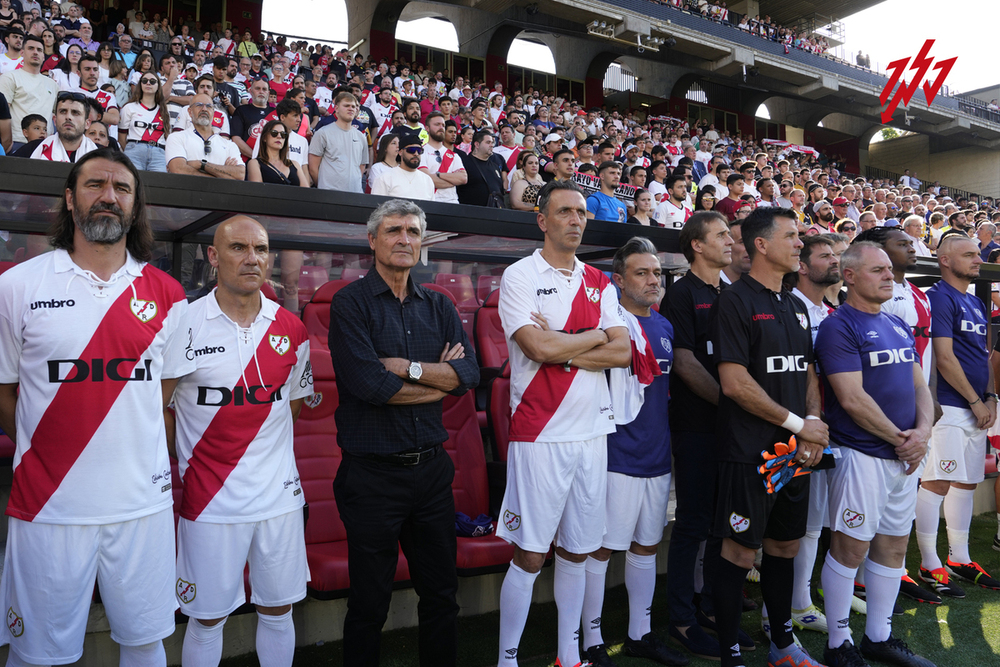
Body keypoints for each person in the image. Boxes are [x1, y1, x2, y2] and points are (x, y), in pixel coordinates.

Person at [0, 148, 194, 667]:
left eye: (122, 189)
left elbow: (163, 395)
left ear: (135, 206)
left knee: (146, 643)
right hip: (48, 507)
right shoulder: (18, 286)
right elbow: (5, 393)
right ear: (69, 198)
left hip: (142, 507)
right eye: (94, 185)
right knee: (36, 653)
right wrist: (51, 451)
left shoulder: (171, 295)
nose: (109, 196)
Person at [329, 198, 479, 667]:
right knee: (369, 603)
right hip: (372, 478)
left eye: (413, 231)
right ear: (372, 241)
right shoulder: (349, 303)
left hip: (432, 473)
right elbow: (372, 386)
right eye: (393, 230)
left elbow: (470, 376)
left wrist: (409, 369)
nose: (404, 239)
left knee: (441, 594)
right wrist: (440, 381)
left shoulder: (438, 304)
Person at [495, 180, 630, 667]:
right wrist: (590, 338)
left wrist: (569, 347)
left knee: (578, 551)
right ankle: (507, 658)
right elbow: (538, 348)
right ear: (543, 220)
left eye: (581, 212)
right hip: (541, 432)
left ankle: (568, 656)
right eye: (566, 212)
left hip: (593, 432)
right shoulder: (519, 275)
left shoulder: (599, 280)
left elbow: (623, 351)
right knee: (531, 555)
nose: (576, 219)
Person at [170, 215, 312, 667]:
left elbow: (290, 404)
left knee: (278, 609)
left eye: (261, 249)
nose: (253, 259)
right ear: (213, 256)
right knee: (207, 617)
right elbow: (161, 411)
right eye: (238, 248)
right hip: (210, 500)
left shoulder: (292, 328)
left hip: (279, 499)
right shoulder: (182, 325)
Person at [711, 206, 829, 667]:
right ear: (761, 244)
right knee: (740, 552)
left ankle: (783, 645)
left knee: (785, 547)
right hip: (749, 453)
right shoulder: (735, 300)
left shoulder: (796, 304)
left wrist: (813, 427)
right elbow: (734, 383)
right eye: (792, 236)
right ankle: (730, 652)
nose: (800, 244)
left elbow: (808, 375)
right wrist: (801, 427)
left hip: (797, 451)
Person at [816, 242, 937, 667]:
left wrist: (921, 433)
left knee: (893, 547)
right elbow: (851, 398)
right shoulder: (838, 326)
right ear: (849, 276)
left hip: (904, 457)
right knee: (850, 549)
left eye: (889, 269)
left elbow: (920, 386)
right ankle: (837, 644)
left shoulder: (897, 324)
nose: (889, 276)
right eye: (877, 270)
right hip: (862, 455)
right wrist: (902, 439)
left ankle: (878, 637)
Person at [579, 237, 690, 667]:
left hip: (658, 457)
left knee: (646, 546)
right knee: (602, 550)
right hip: (616, 456)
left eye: (657, 274)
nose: (652, 281)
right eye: (642, 273)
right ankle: (591, 639)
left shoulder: (663, 327)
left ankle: (639, 635)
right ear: (619, 279)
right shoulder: (608, 325)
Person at [664, 211, 733, 661]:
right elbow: (686, 365)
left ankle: (711, 609)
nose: (731, 242)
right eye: (722, 236)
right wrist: (736, 407)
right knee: (692, 523)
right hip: (697, 428)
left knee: (720, 524)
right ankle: (682, 619)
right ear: (697, 245)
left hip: (732, 430)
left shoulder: (733, 293)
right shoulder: (681, 295)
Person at [915, 234, 1000, 596]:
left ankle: (959, 558)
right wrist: (975, 400)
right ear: (945, 260)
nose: (977, 259)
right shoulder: (938, 297)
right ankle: (929, 562)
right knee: (938, 480)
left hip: (977, 405)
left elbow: (984, 355)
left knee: (965, 481)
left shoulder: (974, 302)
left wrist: (991, 396)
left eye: (976, 254)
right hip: (949, 404)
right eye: (968, 255)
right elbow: (944, 357)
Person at [783, 235, 839, 634]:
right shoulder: (791, 307)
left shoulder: (832, 310)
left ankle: (805, 596)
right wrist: (807, 425)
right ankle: (793, 604)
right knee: (797, 523)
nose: (834, 261)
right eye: (825, 256)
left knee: (817, 522)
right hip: (799, 430)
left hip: (833, 428)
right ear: (802, 266)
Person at [165, 93, 245, 179]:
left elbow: (240, 175)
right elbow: (178, 170)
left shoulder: (229, 145)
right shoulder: (177, 138)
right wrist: (223, 175)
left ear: (213, 112)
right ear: (190, 112)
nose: (204, 109)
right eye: (199, 105)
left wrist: (202, 164)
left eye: (209, 106)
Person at [0, 34, 58, 150]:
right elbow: (3, 114)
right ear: (22, 53)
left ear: (43, 56)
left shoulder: (53, 84)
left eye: (39, 50)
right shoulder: (10, 77)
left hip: (46, 145)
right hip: (18, 142)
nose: (35, 52)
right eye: (31, 48)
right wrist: (7, 144)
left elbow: (55, 116)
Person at [309, 91, 368, 193]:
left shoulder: (361, 137)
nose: (351, 109)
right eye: (346, 105)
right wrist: (323, 187)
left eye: (353, 107)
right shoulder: (323, 133)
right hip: (329, 194)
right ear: (336, 108)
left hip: (355, 194)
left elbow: (361, 166)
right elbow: (313, 167)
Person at [23, 90, 98, 161]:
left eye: (75, 113)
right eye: (63, 111)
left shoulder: (100, 155)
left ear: (87, 123)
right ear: (55, 120)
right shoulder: (33, 148)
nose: (68, 117)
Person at [118, 69, 169, 170]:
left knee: (159, 185)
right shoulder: (129, 107)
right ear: (140, 85)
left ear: (158, 85)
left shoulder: (164, 110)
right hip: (134, 151)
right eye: (144, 81)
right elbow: (121, 136)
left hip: (159, 154)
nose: (148, 83)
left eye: (152, 81)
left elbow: (167, 137)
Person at [419, 111, 466, 203]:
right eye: (437, 124)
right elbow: (427, 180)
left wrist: (438, 175)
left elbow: (463, 178)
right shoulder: (420, 152)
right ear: (427, 128)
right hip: (430, 202)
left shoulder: (454, 155)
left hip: (452, 203)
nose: (441, 128)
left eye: (443, 125)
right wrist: (453, 182)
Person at [248, 118, 309, 187]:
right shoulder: (255, 163)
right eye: (274, 133)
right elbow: (257, 191)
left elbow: (306, 193)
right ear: (264, 137)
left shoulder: (295, 164)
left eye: (283, 134)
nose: (279, 137)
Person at [371, 134, 434, 200]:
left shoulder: (427, 180)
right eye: (411, 150)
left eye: (419, 150)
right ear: (400, 152)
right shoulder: (384, 178)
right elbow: (377, 207)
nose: (416, 154)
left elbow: (431, 209)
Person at [457, 130, 506, 207]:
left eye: (492, 142)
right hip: (470, 213)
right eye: (488, 142)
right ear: (477, 144)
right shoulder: (464, 163)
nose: (491, 145)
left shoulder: (495, 166)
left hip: (494, 214)